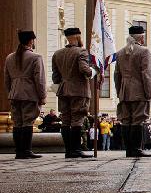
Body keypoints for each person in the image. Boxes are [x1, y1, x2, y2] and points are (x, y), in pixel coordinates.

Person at [52, 27, 96, 159]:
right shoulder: (81, 51)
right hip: (78, 90)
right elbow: (84, 69)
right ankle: (76, 149)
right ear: (77, 37)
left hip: (63, 90)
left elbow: (55, 77)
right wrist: (94, 71)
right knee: (77, 119)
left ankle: (68, 150)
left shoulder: (57, 54)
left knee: (65, 120)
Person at [114, 24, 151, 157]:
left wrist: (119, 91)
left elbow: (116, 75)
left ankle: (128, 150)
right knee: (138, 120)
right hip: (139, 91)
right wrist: (150, 94)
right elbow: (147, 74)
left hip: (124, 91)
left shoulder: (120, 53)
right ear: (141, 38)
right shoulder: (144, 52)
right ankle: (136, 149)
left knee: (126, 120)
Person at [4, 30, 46, 159]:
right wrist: (42, 95)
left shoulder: (10, 57)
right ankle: (26, 150)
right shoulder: (35, 57)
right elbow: (39, 79)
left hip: (14, 93)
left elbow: (7, 79)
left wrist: (10, 92)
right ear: (31, 41)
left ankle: (18, 151)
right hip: (29, 93)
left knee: (17, 122)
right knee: (28, 121)